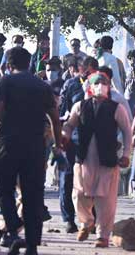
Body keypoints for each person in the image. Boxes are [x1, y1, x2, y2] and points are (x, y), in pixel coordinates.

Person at [0, 47, 62, 255]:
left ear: (9, 64)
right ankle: (32, 245)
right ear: (29, 63)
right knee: (33, 195)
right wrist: (58, 145)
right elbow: (54, 118)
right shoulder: (42, 86)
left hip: (9, 144)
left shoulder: (6, 82)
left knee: (4, 189)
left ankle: (14, 228)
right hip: (35, 147)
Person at [62, 72, 132, 248]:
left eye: (104, 82)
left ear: (109, 87)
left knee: (106, 201)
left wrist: (125, 154)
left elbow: (126, 131)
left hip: (107, 159)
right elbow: (70, 124)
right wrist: (64, 136)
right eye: (97, 82)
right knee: (78, 194)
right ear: (89, 86)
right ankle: (86, 224)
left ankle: (103, 235)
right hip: (84, 158)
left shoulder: (117, 108)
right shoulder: (80, 106)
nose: (100, 85)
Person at [58, 57, 99, 234]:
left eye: (92, 71)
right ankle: (69, 219)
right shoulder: (71, 85)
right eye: (87, 71)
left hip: (95, 141)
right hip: (73, 139)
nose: (89, 74)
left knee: (93, 181)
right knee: (67, 178)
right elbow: (63, 113)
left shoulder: (103, 86)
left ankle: (93, 219)